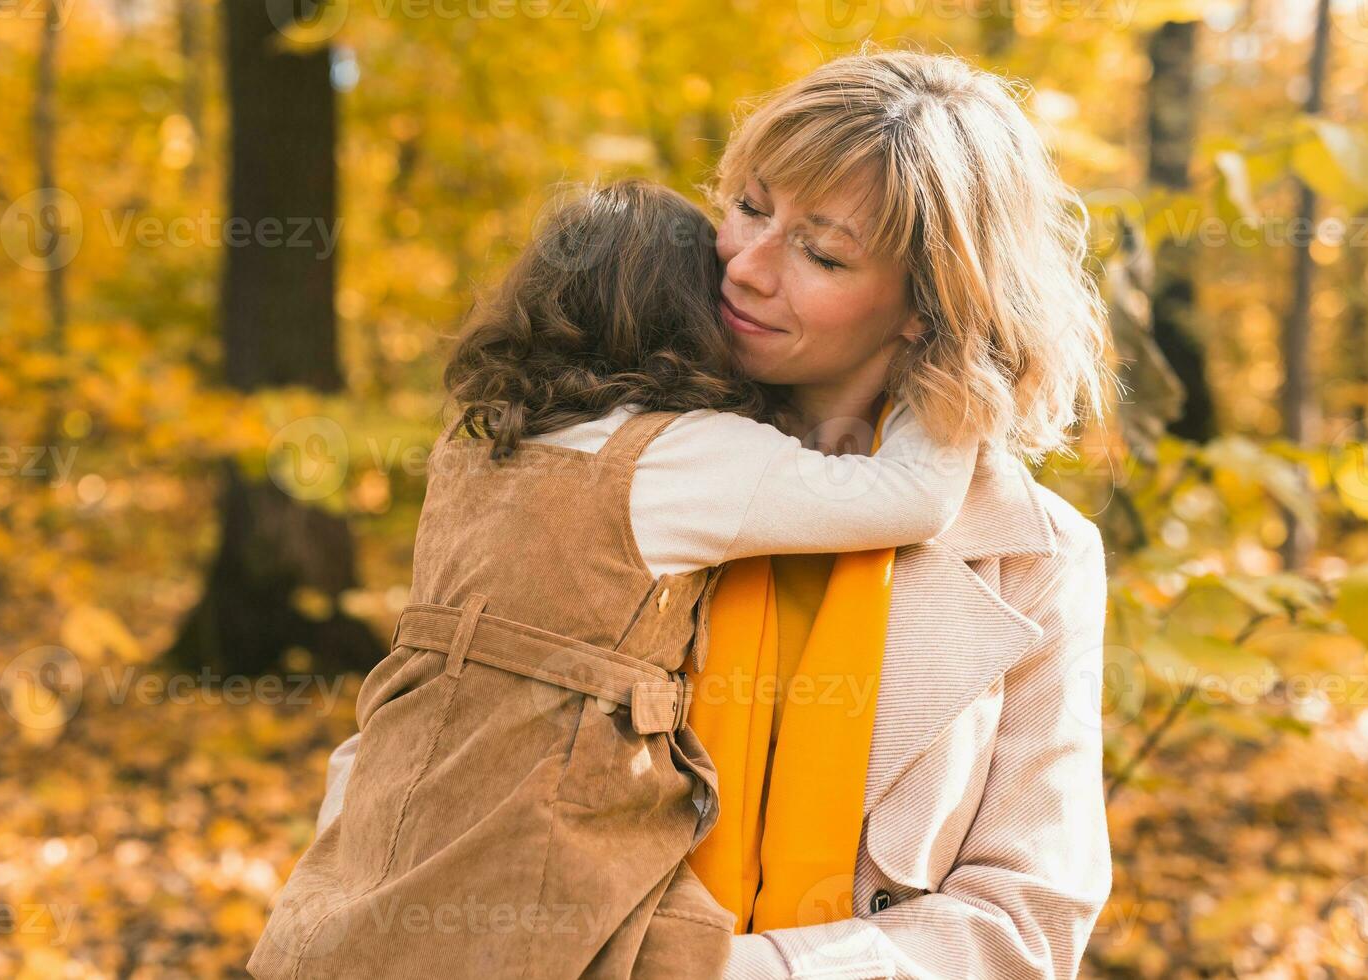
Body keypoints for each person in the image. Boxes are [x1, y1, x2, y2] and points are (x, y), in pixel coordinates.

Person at [316, 47, 1118, 979]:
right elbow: (429, 726)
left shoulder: (1036, 555)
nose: (746, 266)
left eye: (820, 252)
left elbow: (1027, 920)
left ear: (928, 309)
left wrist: (719, 973)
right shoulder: (603, 462)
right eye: (749, 207)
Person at [248, 177, 978, 979]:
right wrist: (949, 373)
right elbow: (912, 497)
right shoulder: (686, 452)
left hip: (402, 786)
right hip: (554, 810)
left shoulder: (477, 443)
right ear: (691, 317)